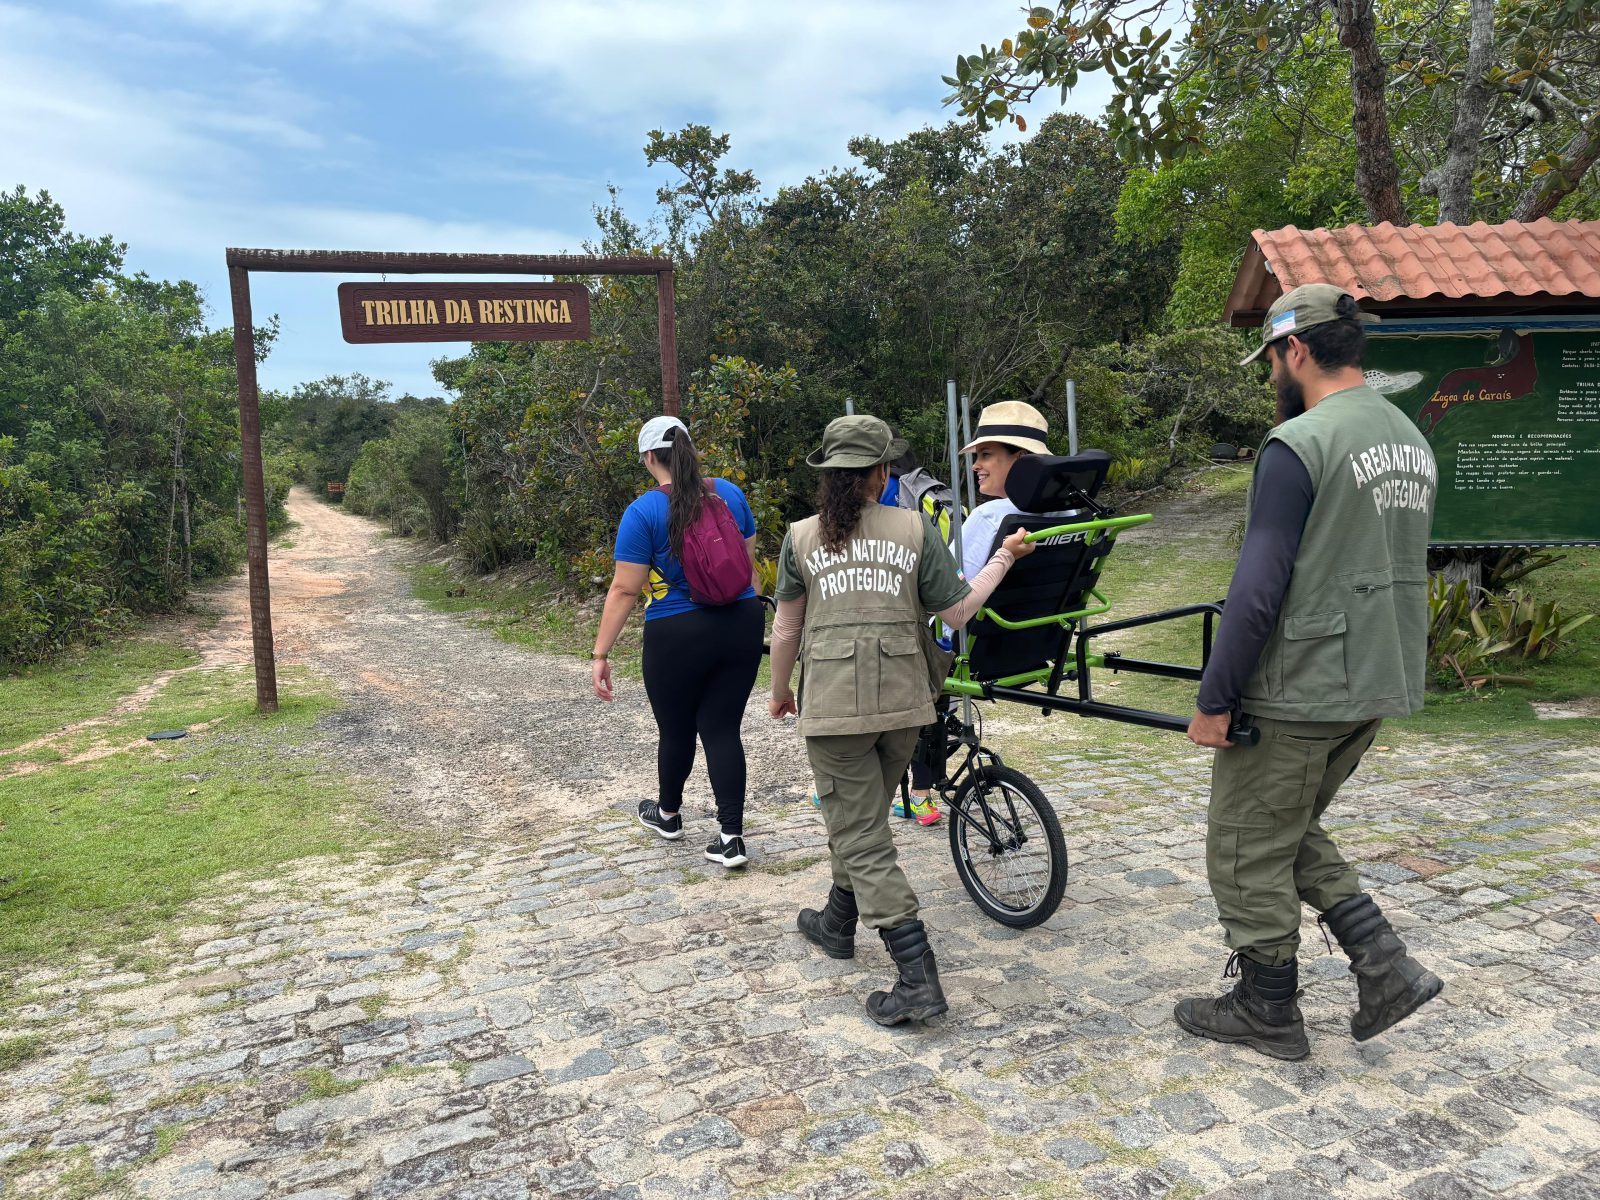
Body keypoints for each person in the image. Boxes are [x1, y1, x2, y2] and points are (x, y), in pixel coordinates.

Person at [1177, 283, 1443, 1061]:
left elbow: (1259, 587)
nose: (1268, 378)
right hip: (1375, 675)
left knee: (1243, 843)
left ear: (1296, 350)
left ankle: (1267, 1008)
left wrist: (1215, 698)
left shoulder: (1301, 443)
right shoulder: (1408, 438)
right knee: (1284, 826)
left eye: (1269, 361)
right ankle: (1383, 963)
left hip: (1301, 684)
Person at [767, 415, 1034, 1024]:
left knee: (861, 832)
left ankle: (916, 977)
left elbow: (786, 628)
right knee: (860, 820)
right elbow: (959, 610)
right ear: (882, 473)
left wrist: (780, 690)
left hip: (835, 708)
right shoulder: (915, 529)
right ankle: (838, 920)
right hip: (906, 703)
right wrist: (1003, 560)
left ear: (830, 478)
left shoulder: (801, 536)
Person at [592, 415, 764, 869]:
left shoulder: (643, 511)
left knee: (677, 728)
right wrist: (755, 618)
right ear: (689, 448)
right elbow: (749, 565)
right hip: (741, 621)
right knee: (723, 728)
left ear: (650, 457)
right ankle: (731, 838)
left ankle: (668, 815)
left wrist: (601, 652)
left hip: (676, 632)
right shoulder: (729, 493)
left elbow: (625, 590)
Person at [957, 401, 1053, 582]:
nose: (975, 466)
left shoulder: (988, 516)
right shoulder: (1068, 510)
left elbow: (948, 585)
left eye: (985, 454)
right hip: (1056, 610)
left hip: (986, 610)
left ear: (1022, 458)